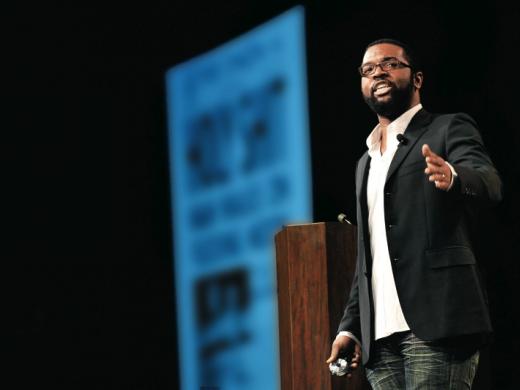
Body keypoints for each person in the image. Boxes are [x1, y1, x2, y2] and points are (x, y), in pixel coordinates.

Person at [325, 38, 502, 389]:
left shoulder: (447, 128)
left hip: (438, 323)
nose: (378, 72)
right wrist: (350, 326)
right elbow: (369, 253)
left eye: (390, 64)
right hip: (379, 340)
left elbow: (489, 183)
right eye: (368, 69)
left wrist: (452, 176)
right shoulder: (365, 162)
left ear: (416, 78)